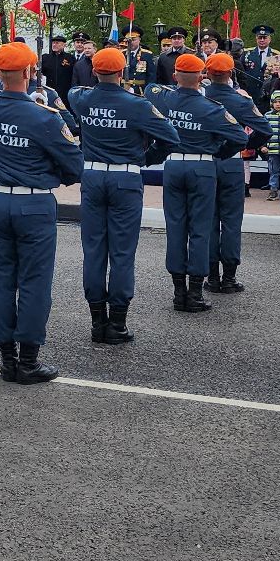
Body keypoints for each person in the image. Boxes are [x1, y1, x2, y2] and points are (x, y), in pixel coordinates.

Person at [0, 41, 84, 382]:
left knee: (3, 281)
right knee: (34, 282)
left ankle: (7, 357)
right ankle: (28, 359)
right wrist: (50, 175)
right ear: (29, 73)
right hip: (34, 202)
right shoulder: (44, 117)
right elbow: (74, 165)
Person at [68, 46, 179, 342]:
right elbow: (171, 137)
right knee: (121, 252)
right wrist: (146, 157)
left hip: (91, 176)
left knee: (93, 250)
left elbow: (73, 93)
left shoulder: (80, 98)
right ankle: (117, 324)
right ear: (122, 72)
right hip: (125, 177)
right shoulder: (137, 105)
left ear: (94, 72)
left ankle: (96, 322)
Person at [153, 54, 250, 313]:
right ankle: (194, 293)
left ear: (175, 76)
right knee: (199, 229)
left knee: (175, 228)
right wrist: (218, 150)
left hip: (173, 165)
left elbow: (151, 91)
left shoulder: (163, 98)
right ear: (201, 77)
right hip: (202, 167)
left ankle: (178, 291)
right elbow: (240, 137)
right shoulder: (211, 107)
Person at [203, 52, 271, 293]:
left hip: (206, 162)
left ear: (208, 74)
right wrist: (246, 145)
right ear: (231, 73)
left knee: (209, 221)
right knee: (231, 221)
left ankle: (211, 276)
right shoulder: (241, 100)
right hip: (232, 162)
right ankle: (229, 277)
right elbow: (265, 129)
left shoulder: (201, 97)